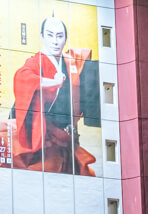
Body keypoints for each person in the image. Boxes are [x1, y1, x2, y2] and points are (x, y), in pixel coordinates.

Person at [9, 15, 99, 175]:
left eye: (59, 36)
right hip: (42, 133)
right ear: (42, 36)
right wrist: (51, 82)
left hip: (65, 135)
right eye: (50, 35)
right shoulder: (37, 61)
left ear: (65, 39)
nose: (55, 41)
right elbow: (22, 77)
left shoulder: (69, 61)